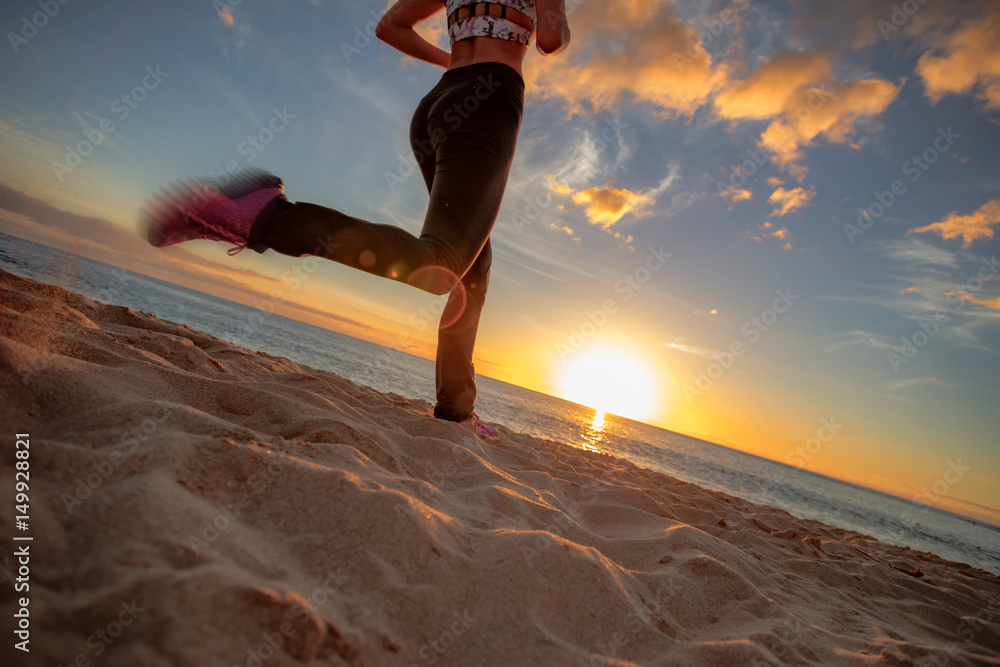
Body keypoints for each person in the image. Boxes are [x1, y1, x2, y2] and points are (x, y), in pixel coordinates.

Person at [141, 0, 570, 438]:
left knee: (474, 266)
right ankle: (264, 216)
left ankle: (457, 408)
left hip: (437, 103)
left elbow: (391, 27)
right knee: (442, 264)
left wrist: (453, 62)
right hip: (490, 98)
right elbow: (552, 41)